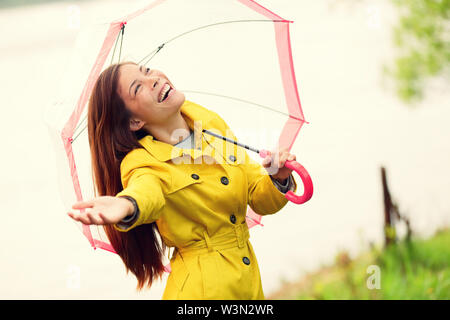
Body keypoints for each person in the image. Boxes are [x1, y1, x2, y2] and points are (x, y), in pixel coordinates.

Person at [67, 61, 298, 299]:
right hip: (201, 290)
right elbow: (146, 192)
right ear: (135, 122)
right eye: (138, 88)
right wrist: (127, 205)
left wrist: (277, 179)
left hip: (246, 279)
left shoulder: (209, 123)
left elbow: (259, 198)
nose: (153, 78)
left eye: (146, 70)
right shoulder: (142, 162)